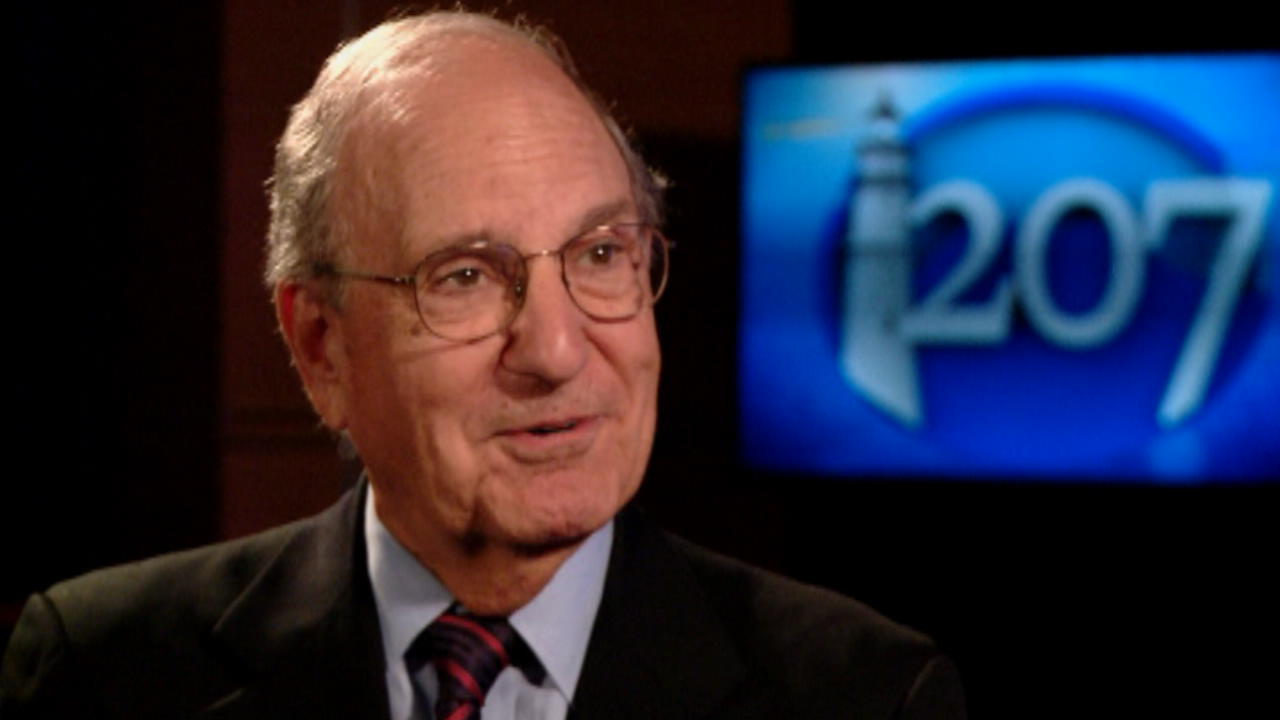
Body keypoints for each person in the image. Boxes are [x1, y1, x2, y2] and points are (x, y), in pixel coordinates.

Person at [1, 10, 965, 719]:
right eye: (464, 276)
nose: (556, 351)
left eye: (601, 255)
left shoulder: (865, 695)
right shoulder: (102, 673)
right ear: (320, 347)